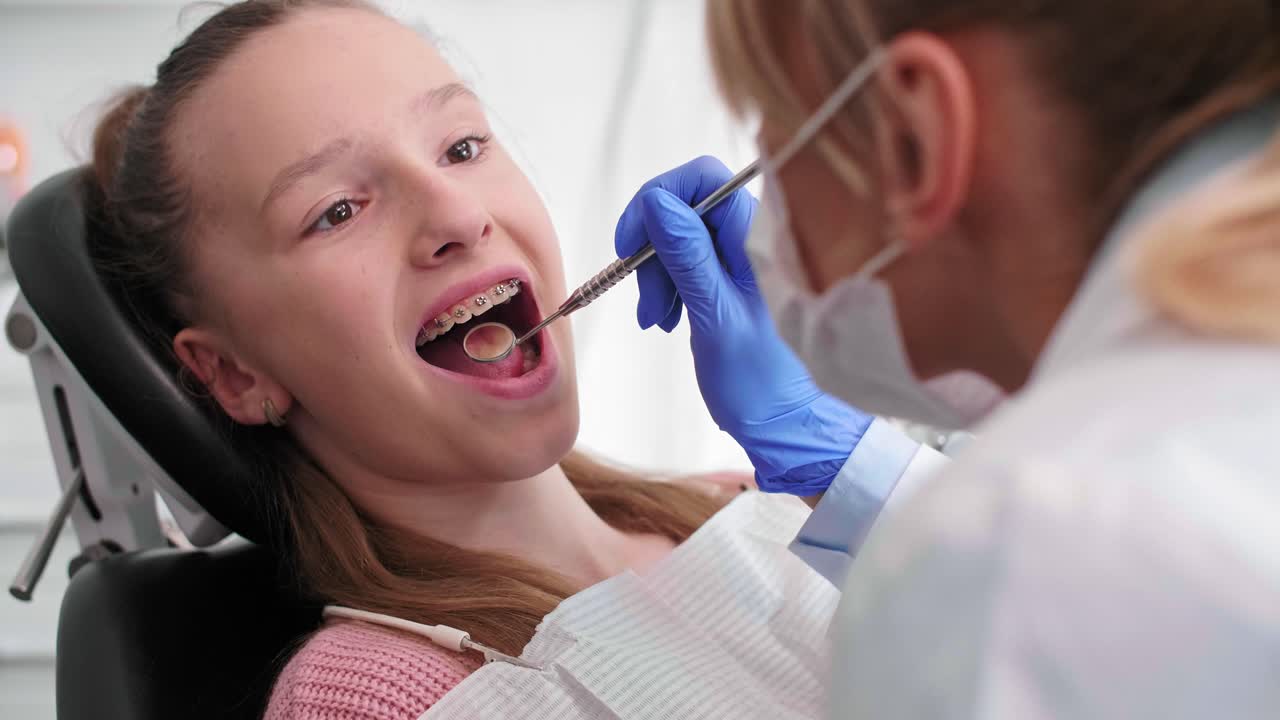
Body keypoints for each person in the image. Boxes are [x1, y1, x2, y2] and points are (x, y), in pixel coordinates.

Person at [82, 2, 769, 718]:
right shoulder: (367, 703)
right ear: (236, 374)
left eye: (462, 148)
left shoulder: (760, 502)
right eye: (338, 210)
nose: (459, 216)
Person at [619, 0, 1280, 716]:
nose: (472, 221)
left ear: (913, 135)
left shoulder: (1021, 554)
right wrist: (844, 464)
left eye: (771, 130)